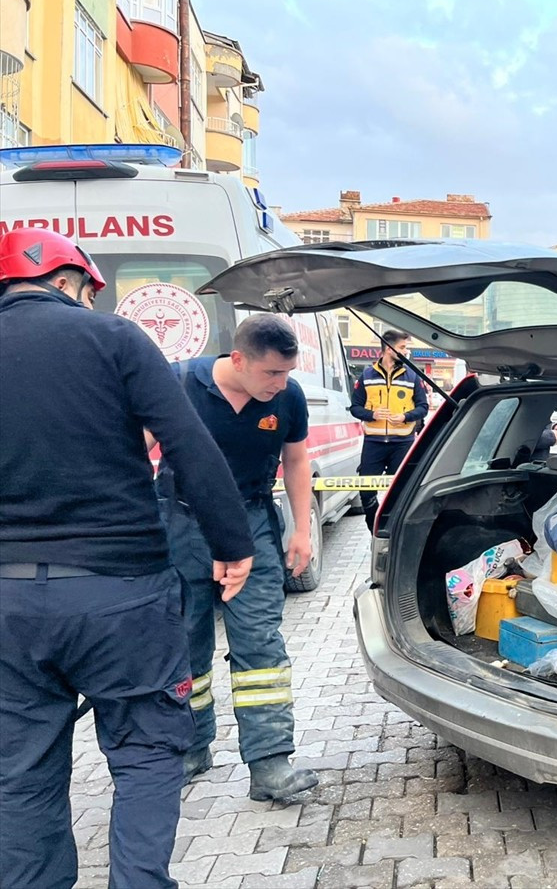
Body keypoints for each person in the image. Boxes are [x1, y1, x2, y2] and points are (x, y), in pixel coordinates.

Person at [0, 228, 254, 888]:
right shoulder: (113, 339)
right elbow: (188, 446)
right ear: (69, 282)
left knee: (21, 773)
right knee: (145, 758)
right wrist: (232, 546)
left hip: (10, 607)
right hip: (123, 596)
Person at [152, 315, 318, 802]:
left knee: (261, 644)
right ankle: (191, 746)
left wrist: (302, 531)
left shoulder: (287, 398)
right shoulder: (179, 383)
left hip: (253, 526)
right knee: (184, 640)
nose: (281, 384)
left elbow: (296, 459)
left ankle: (269, 764)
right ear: (238, 359)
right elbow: (132, 449)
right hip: (181, 526)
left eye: (287, 373)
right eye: (271, 374)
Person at [350, 329, 429, 531]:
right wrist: (372, 414)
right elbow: (355, 408)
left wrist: (405, 416)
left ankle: (394, 530)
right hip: (374, 442)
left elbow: (423, 407)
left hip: (402, 443)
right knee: (366, 491)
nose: (406, 352)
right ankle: (374, 529)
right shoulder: (367, 375)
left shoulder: (412, 376)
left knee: (402, 492)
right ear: (388, 348)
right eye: (403, 347)